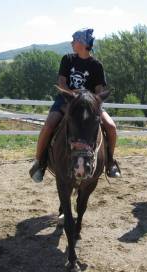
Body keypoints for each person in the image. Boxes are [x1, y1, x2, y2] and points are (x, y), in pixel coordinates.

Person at [29, 28, 121, 182]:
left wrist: (89, 99)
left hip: (89, 104)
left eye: (74, 40)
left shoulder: (96, 65)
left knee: (111, 127)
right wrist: (74, 95)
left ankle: (110, 162)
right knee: (49, 125)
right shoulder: (67, 59)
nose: (72, 43)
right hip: (66, 100)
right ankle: (39, 163)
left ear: (83, 43)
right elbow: (61, 83)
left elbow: (99, 90)